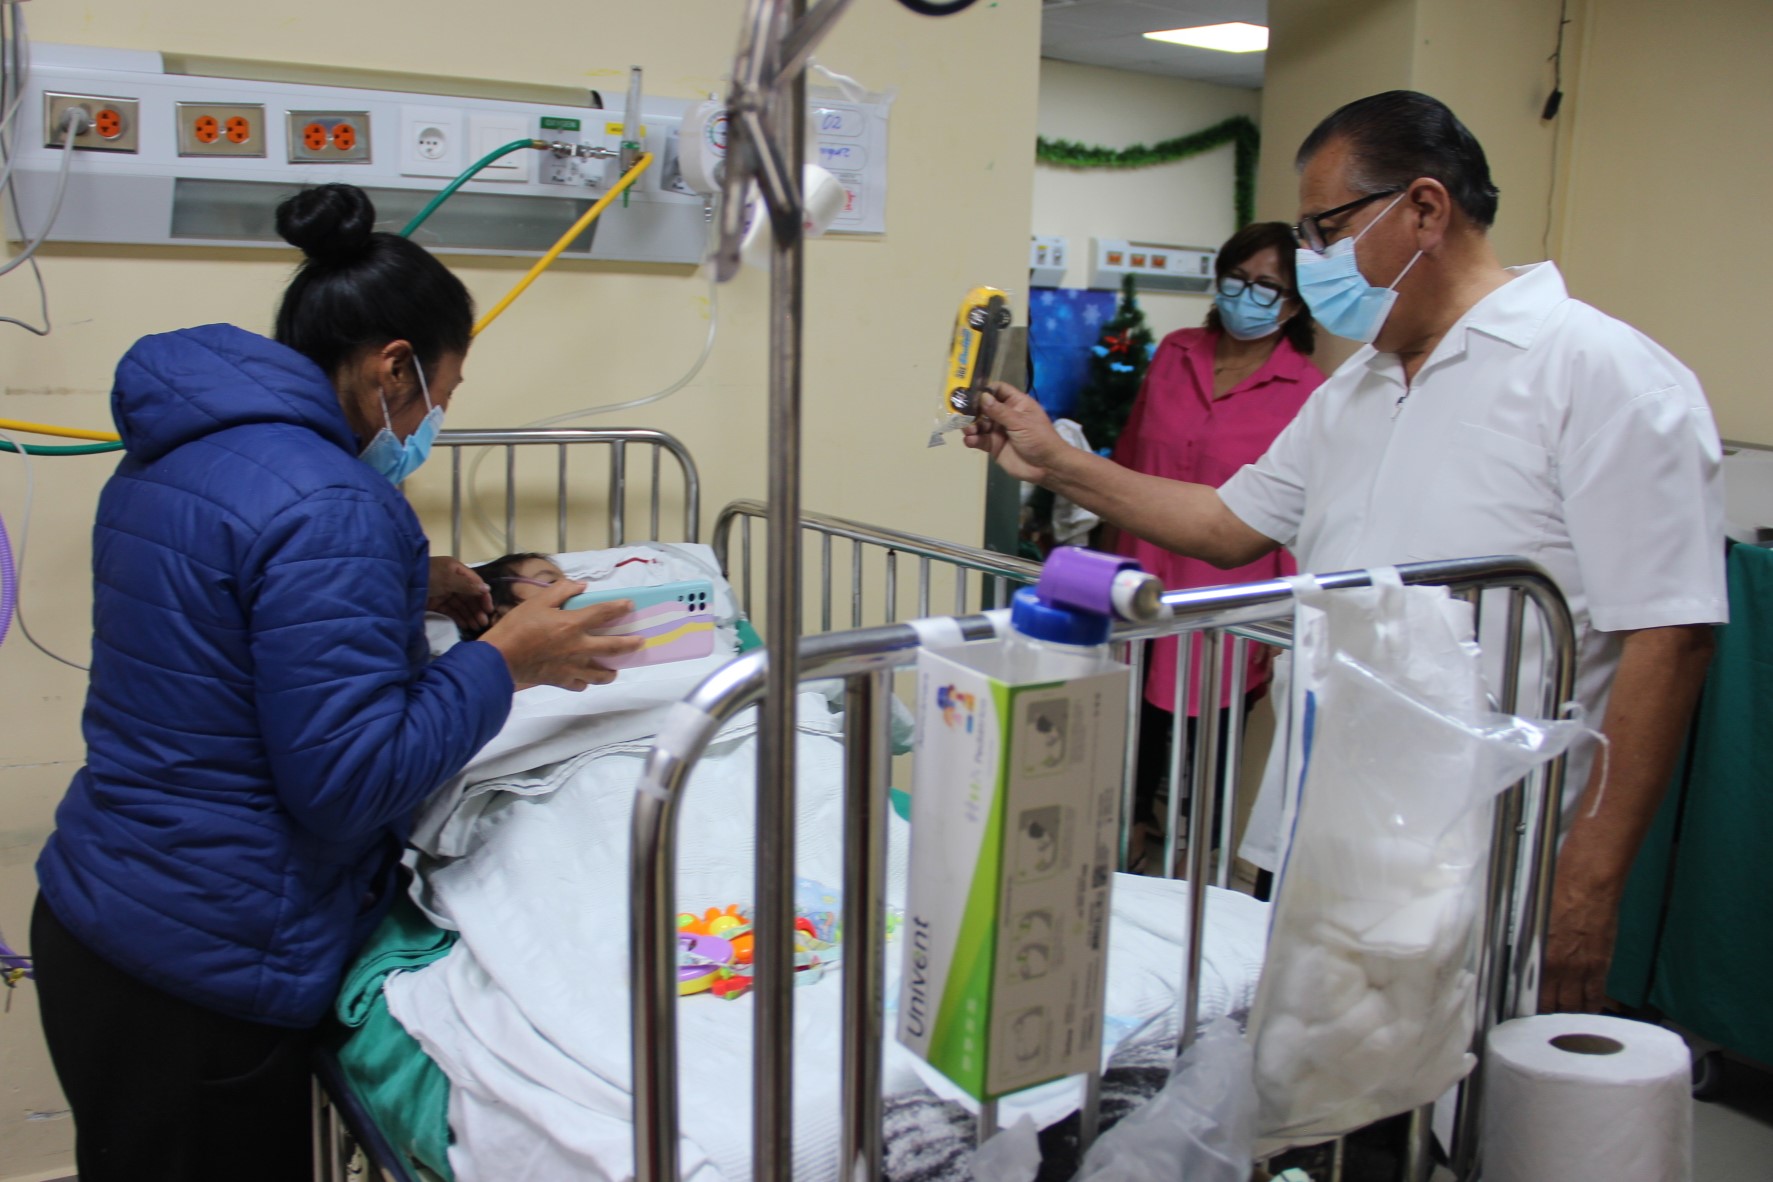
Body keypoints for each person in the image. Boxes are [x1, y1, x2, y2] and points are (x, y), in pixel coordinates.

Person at [966, 91, 1725, 1014]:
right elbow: (1225, 523)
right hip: (1318, 827)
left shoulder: (1597, 374)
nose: (1309, 262)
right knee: (1309, 1109)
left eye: (1325, 230)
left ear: (1423, 209)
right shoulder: (1354, 389)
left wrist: (1589, 884)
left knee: (1448, 1120)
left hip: (1477, 854)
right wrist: (1053, 459)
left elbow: (1671, 636)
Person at [30, 183, 643, 1181]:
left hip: (104, 924)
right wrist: (507, 659)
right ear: (391, 368)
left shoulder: (181, 457)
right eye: (442, 394)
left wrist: (413, 587)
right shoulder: (337, 504)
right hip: (205, 977)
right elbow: (350, 781)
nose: (437, 420)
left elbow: (224, 647)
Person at [1107, 222, 1324, 875]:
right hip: (1138, 578)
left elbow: (1296, 514)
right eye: (1238, 278)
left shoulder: (1308, 390)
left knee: (1205, 756)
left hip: (1227, 599)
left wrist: (1278, 618)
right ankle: (1126, 857)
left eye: (1268, 286)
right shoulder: (1175, 351)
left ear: (1292, 305)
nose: (1247, 295)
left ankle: (1190, 885)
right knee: (1130, 740)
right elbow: (1127, 459)